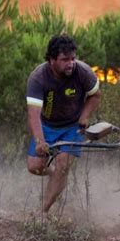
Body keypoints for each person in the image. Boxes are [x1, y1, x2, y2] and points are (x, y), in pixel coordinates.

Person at [26, 34, 101, 218]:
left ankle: (42, 211)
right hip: (47, 125)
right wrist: (40, 141)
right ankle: (56, 176)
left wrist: (84, 116)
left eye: (73, 59)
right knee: (35, 166)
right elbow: (33, 113)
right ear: (52, 60)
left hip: (72, 127)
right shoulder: (38, 77)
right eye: (64, 60)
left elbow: (96, 95)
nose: (70, 64)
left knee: (63, 164)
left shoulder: (83, 72)